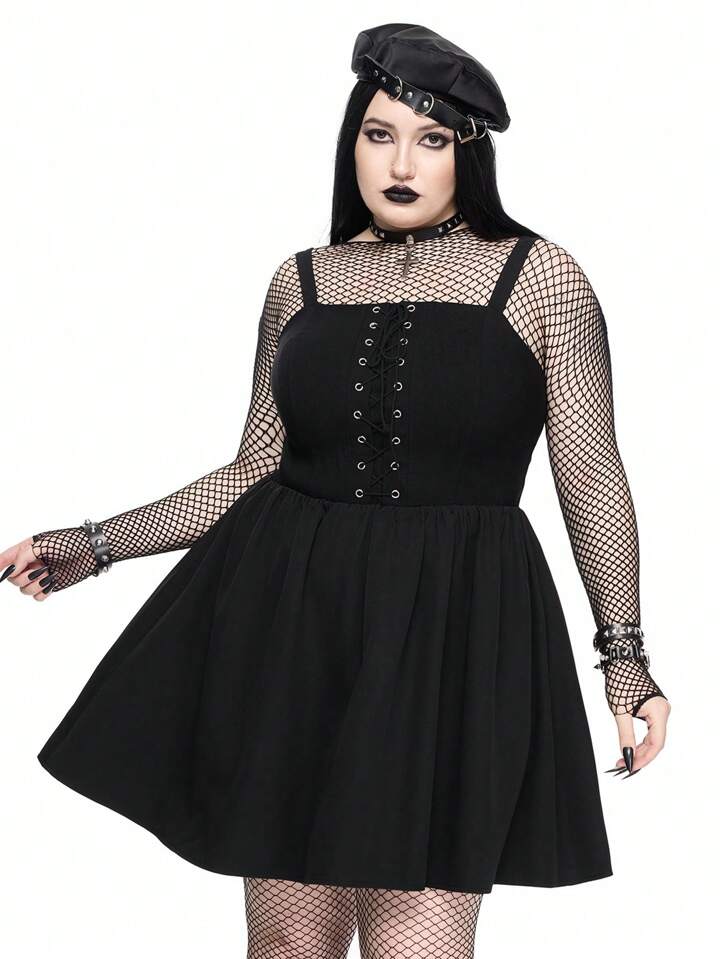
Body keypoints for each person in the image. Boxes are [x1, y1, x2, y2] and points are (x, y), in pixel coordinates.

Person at [1, 22, 670, 959]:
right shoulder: (302, 280)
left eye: (431, 140)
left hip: (452, 632)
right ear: (350, 140)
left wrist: (625, 659)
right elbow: (254, 468)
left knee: (416, 947)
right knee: (288, 944)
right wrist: (94, 543)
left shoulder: (542, 278)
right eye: (378, 133)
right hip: (294, 626)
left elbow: (589, 471)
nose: (400, 163)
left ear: (469, 154)